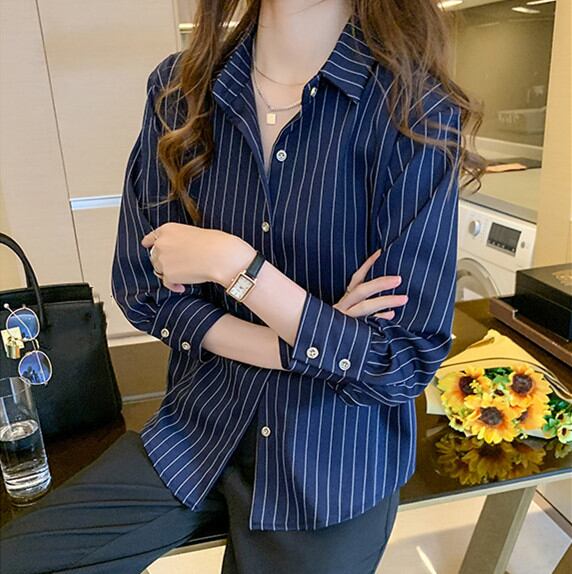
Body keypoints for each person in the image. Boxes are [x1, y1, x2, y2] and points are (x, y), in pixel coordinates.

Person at [0, 0, 485, 572]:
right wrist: (312, 334)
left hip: (332, 461)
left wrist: (234, 265)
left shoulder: (413, 110)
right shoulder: (178, 90)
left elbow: (398, 360)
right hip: (198, 426)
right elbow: (142, 288)